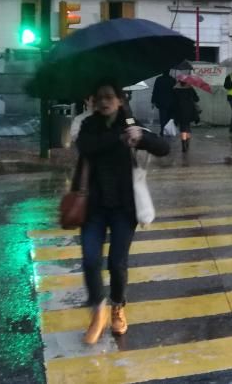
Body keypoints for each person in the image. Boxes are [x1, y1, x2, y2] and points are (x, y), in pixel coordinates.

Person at [76, 81, 170, 345]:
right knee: (90, 259)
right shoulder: (87, 125)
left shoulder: (130, 123)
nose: (103, 102)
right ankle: (98, 312)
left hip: (123, 207)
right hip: (92, 206)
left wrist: (142, 137)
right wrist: (119, 138)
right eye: (99, 97)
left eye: (109, 97)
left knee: (117, 263)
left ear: (119, 100)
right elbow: (86, 147)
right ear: (93, 101)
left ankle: (117, 306)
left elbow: (163, 148)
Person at [172, 79, 200, 153]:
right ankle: (187, 143)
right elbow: (197, 99)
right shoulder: (190, 89)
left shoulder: (176, 90)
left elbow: (173, 101)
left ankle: (184, 145)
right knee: (187, 127)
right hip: (190, 110)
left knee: (183, 127)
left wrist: (174, 87)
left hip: (180, 110)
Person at [151, 71, 176, 136]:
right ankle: (168, 131)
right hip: (171, 102)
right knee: (169, 118)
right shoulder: (173, 80)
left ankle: (162, 131)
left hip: (161, 102)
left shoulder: (159, 79)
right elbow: (175, 92)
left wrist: (153, 101)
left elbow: (155, 90)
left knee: (162, 118)